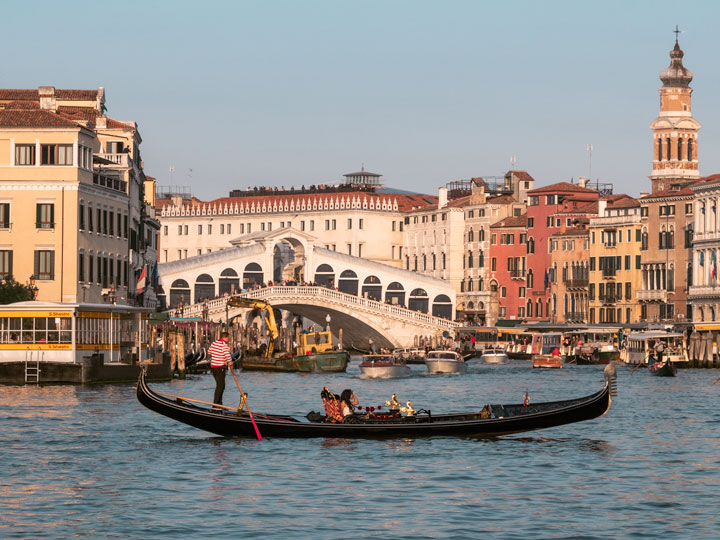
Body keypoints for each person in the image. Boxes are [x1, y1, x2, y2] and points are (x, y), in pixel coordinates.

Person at [209, 332, 233, 407]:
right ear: (225, 337)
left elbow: (209, 351)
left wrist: (217, 355)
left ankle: (219, 404)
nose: (228, 339)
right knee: (220, 386)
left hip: (213, 367)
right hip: (220, 367)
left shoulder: (214, 343)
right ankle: (216, 404)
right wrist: (230, 363)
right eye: (228, 338)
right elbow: (227, 356)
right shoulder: (224, 346)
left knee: (220, 385)